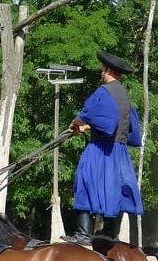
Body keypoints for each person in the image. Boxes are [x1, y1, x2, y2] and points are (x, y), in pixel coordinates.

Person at [61, 51, 143, 245]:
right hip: (119, 152)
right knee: (113, 188)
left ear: (107, 70)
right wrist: (87, 127)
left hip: (101, 149)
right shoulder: (124, 95)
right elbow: (117, 123)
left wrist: (75, 124)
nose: (101, 73)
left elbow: (90, 114)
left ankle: (83, 234)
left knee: (84, 181)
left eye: (102, 70)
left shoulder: (103, 92)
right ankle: (108, 231)